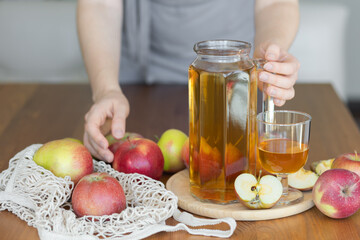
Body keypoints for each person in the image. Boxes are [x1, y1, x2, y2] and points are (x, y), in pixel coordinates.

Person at [77, 0, 300, 162]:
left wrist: (270, 52)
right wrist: (107, 90)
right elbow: (100, 4)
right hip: (132, 82)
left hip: (233, 75)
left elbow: (275, 3)